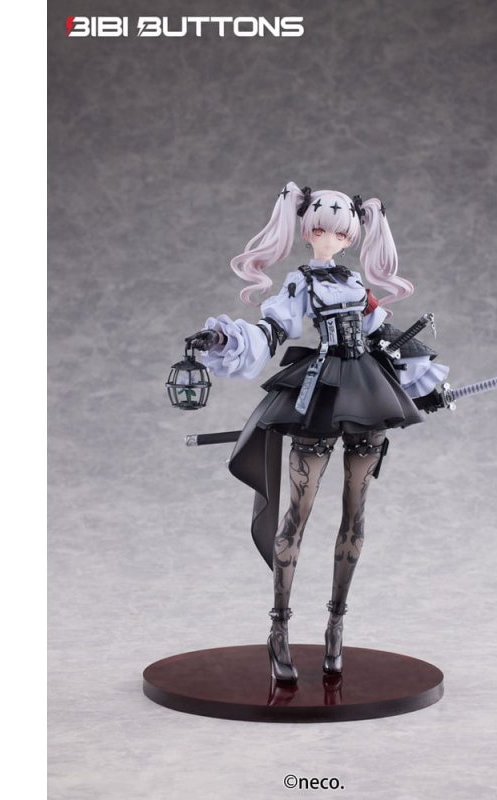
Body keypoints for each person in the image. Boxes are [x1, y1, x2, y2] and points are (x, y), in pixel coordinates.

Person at [186, 182, 450, 683]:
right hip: (319, 393)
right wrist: (222, 337)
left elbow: (382, 333)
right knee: (298, 513)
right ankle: (279, 628)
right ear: (307, 230)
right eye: (322, 229)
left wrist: (425, 382)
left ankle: (336, 626)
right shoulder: (301, 283)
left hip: (366, 391)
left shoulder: (355, 284)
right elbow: (271, 330)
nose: (330, 238)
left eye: (340, 232)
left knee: (355, 512)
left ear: (351, 237)